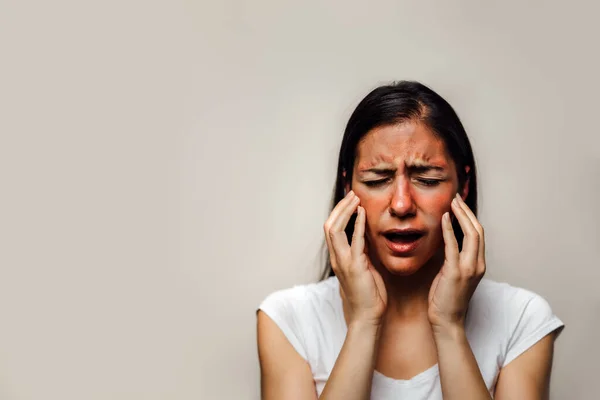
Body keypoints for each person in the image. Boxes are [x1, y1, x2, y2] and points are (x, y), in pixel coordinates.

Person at [256, 81, 564, 399]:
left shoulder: (523, 319)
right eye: (377, 179)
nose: (402, 205)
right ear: (348, 188)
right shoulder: (288, 320)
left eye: (427, 179)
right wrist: (363, 321)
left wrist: (449, 326)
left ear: (463, 186)